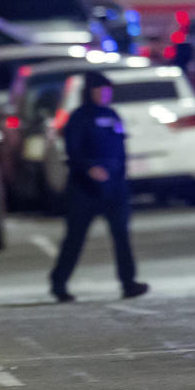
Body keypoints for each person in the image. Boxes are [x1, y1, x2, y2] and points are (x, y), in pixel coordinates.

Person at [48, 71, 150, 303]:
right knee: (75, 238)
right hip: (84, 190)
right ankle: (58, 283)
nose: (105, 95)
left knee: (121, 236)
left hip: (114, 188)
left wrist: (121, 178)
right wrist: (88, 169)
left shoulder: (113, 115)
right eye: (100, 91)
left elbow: (121, 149)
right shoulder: (78, 118)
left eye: (107, 91)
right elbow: (72, 151)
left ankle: (128, 282)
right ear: (89, 92)